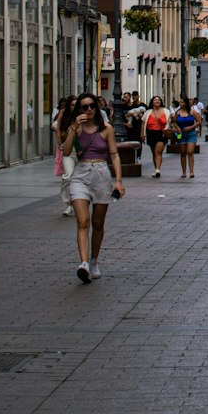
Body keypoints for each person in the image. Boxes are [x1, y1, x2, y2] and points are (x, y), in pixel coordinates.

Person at [59, 92, 124, 282]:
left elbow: (114, 155)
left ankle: (94, 260)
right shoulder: (76, 128)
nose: (88, 110)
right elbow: (67, 150)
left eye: (91, 106)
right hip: (81, 174)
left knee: (98, 223)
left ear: (97, 108)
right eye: (84, 107)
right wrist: (73, 128)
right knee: (83, 221)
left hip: (102, 174)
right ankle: (84, 263)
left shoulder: (107, 129)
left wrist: (118, 181)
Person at [53, 94, 76, 216]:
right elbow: (57, 127)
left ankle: (79, 201)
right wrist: (59, 141)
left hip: (80, 150)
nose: (74, 107)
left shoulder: (82, 115)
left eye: (75, 105)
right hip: (67, 149)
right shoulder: (63, 114)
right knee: (68, 176)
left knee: (82, 178)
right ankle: (68, 203)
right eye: (72, 105)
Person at [174, 97, 199, 177]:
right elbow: (174, 122)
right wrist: (177, 128)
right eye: (180, 102)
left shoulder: (192, 111)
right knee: (183, 153)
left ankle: (191, 171)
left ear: (186, 103)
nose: (181, 104)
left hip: (191, 133)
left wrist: (191, 127)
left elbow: (199, 121)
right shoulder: (177, 112)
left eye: (182, 102)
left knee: (190, 151)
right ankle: (184, 172)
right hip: (181, 134)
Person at [144, 96, 168, 177]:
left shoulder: (166, 111)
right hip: (151, 133)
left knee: (158, 152)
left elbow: (170, 122)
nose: (157, 101)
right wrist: (142, 134)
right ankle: (156, 169)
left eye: (159, 100)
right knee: (154, 153)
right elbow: (143, 124)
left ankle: (158, 170)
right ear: (152, 102)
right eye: (155, 100)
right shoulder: (148, 112)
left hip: (162, 133)